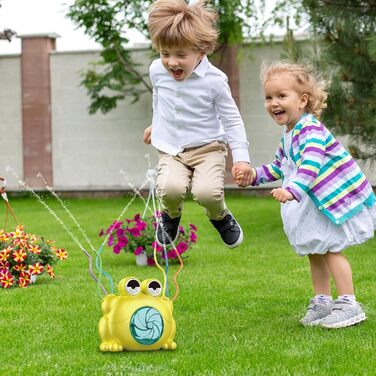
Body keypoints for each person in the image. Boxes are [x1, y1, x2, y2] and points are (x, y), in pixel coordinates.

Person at [235, 61, 376, 328]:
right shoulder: (289, 134)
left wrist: (292, 190)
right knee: (316, 249)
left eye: (281, 96)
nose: (273, 103)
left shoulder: (310, 129)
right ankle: (322, 301)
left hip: (330, 200)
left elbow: (311, 162)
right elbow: (279, 166)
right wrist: (253, 175)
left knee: (333, 248)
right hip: (315, 203)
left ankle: (349, 303)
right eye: (268, 97)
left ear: (302, 100)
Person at [143, 0, 252, 248]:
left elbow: (232, 120)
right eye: (165, 54)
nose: (172, 62)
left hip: (208, 148)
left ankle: (221, 217)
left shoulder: (215, 80)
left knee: (207, 193)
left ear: (201, 51)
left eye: (181, 55)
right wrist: (155, 125)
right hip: (172, 149)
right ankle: (170, 216)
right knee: (169, 189)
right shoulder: (156, 70)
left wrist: (241, 158)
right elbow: (159, 98)